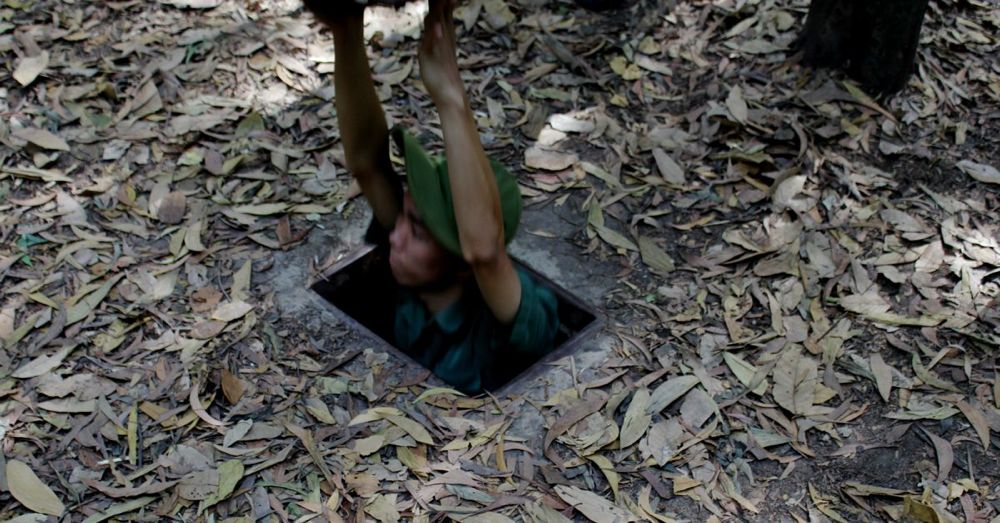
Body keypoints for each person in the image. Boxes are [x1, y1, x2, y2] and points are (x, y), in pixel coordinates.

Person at [305, 0, 560, 394]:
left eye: (419, 232)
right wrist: (345, 28)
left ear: (462, 265)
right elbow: (368, 164)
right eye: (404, 217)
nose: (395, 235)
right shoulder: (421, 266)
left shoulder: (525, 316)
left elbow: (485, 252)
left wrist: (451, 97)